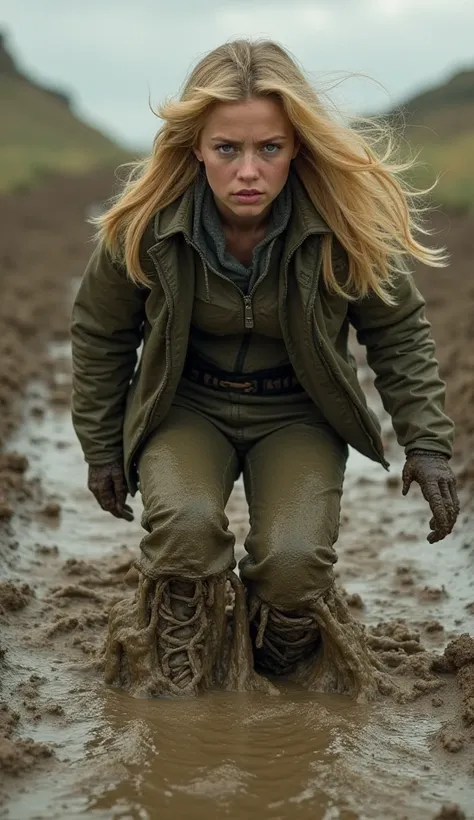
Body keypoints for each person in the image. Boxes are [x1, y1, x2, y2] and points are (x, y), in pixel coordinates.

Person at [71, 39, 459, 697]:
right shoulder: (142, 228)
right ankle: (181, 673)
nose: (247, 169)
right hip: (187, 407)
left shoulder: (345, 226)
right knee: (185, 532)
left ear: (296, 149)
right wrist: (102, 448)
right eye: (228, 149)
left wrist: (428, 445)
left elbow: (398, 336)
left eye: (269, 149)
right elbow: (100, 335)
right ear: (196, 147)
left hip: (298, 413)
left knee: (294, 562)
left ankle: (282, 664)